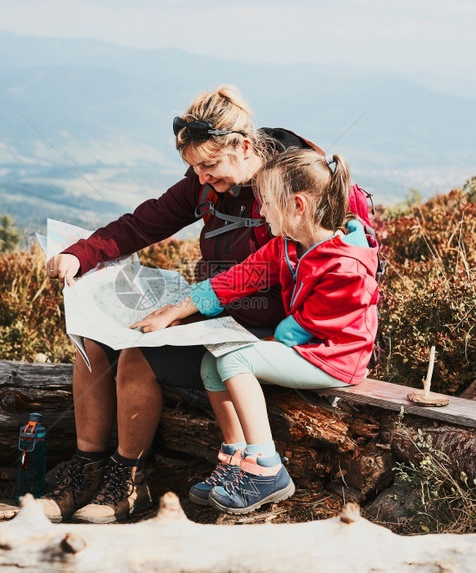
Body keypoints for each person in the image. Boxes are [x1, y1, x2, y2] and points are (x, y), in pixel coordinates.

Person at [42, 85, 324, 523]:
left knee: (138, 356)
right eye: (194, 168)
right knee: (91, 339)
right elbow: (145, 222)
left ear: (245, 146)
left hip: (271, 331)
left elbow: (278, 267)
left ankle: (127, 480)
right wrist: (80, 253)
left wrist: (187, 307)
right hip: (216, 314)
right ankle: (86, 469)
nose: (202, 178)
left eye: (209, 165)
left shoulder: (295, 181)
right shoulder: (206, 183)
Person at [132, 148, 380, 514]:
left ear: (297, 206)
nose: (260, 212)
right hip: (308, 350)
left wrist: (269, 342)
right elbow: (235, 280)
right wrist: (174, 312)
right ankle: (236, 458)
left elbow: (312, 326)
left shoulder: (347, 265)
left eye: (266, 203)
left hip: (336, 359)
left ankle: (266, 468)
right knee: (212, 362)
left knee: (235, 358)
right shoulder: (286, 247)